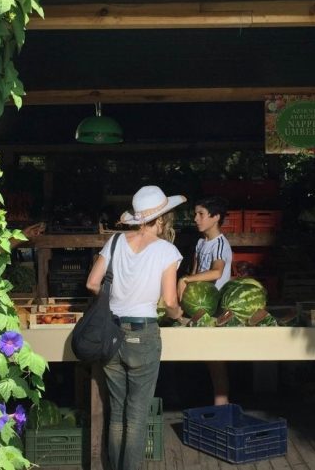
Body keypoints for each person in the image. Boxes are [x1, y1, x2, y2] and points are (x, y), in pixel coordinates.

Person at [86, 185, 185, 470]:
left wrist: (117, 297)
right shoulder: (167, 251)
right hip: (142, 334)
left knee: (116, 413)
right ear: (162, 219)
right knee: (137, 415)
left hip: (110, 333)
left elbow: (93, 283)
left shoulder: (115, 241)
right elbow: (169, 301)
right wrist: (178, 314)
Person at [177, 196, 233, 406]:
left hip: (215, 309)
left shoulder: (220, 244)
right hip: (197, 308)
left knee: (215, 360)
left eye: (201, 214)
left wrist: (186, 279)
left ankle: (222, 404)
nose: (196, 219)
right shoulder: (201, 243)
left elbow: (216, 272)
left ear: (215, 217)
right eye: (195, 214)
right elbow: (195, 272)